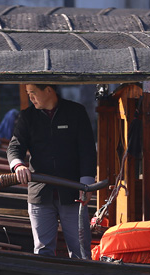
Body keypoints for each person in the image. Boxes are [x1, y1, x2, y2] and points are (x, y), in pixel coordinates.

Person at [7, 84, 97, 258]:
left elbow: (87, 151)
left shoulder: (76, 112)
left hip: (73, 193)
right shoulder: (27, 116)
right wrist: (18, 165)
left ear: (48, 90)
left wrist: (86, 184)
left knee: (81, 250)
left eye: (33, 93)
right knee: (42, 252)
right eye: (28, 94)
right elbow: (14, 147)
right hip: (39, 193)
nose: (30, 98)